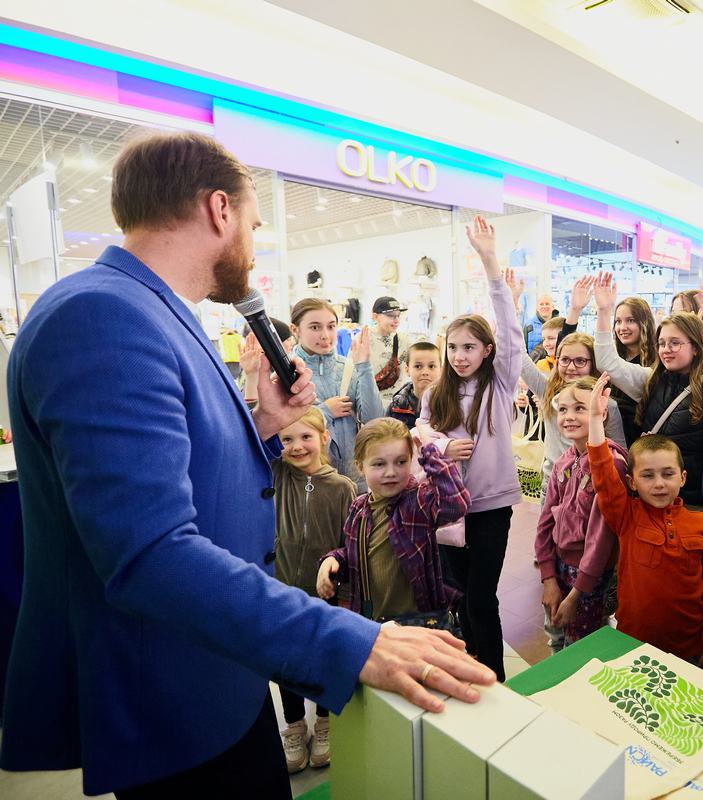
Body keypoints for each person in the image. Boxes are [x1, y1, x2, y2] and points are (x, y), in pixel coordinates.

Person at [0, 132, 491, 799]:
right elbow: (149, 554)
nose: (254, 247)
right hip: (173, 691)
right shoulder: (101, 316)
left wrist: (262, 424)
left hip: (220, 667)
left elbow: (179, 470)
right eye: (255, 226)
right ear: (220, 210)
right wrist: (351, 643)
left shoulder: (153, 310)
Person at [418, 216, 523, 681]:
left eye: (470, 347)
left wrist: (489, 261)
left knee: (482, 597)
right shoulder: (435, 392)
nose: (460, 356)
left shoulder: (500, 384)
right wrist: (443, 445)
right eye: (454, 347)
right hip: (447, 508)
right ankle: (470, 665)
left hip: (491, 508)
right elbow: (421, 432)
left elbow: (511, 330)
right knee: (458, 595)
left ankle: (494, 677)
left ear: (486, 350)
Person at [586, 374, 703, 673]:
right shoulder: (626, 516)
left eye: (668, 474)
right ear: (632, 482)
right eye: (648, 476)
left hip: (690, 652)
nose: (659, 484)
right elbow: (603, 476)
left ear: (683, 477)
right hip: (632, 646)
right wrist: (596, 420)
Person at [594, 273, 703, 510]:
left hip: (691, 506)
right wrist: (603, 311)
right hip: (648, 500)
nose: (666, 349)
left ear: (696, 347)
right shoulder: (650, 380)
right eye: (661, 343)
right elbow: (608, 362)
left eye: (675, 343)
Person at [269, 408, 357, 773]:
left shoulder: (343, 488)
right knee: (284, 659)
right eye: (287, 439)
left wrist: (346, 596)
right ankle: (294, 724)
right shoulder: (276, 474)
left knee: (324, 657)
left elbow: (350, 548)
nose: (297, 446)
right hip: (282, 589)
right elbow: (254, 438)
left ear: (324, 438)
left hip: (326, 595)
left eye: (306, 437)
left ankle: (324, 720)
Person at [316, 418, 465, 624]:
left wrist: (432, 456)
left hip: (417, 623)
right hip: (373, 622)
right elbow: (356, 554)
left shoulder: (417, 501)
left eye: (401, 462)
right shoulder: (358, 507)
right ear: (360, 467)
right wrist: (333, 560)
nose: (391, 472)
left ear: (411, 460)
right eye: (379, 464)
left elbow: (455, 504)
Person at [536, 377, 625, 651]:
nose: (569, 416)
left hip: (589, 577)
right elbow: (545, 522)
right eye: (563, 409)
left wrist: (576, 594)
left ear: (601, 413)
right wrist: (548, 578)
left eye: (579, 408)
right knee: (556, 636)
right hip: (558, 567)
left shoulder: (612, 465)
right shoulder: (563, 461)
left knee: (580, 648)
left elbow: (601, 538)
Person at [283, 298, 385, 493]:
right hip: (306, 484)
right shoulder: (285, 373)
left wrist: (364, 366)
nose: (325, 335)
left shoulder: (349, 367)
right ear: (295, 330)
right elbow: (282, 427)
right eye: (315, 327)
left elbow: (374, 421)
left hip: (355, 482)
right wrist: (325, 411)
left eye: (331, 327)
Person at [559, 275, 655, 448]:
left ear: (645, 322)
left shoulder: (655, 364)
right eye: (618, 321)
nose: (622, 327)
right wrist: (574, 310)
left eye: (630, 320)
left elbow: (609, 364)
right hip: (603, 439)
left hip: (636, 442)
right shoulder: (609, 355)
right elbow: (566, 350)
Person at [520, 330, 625, 487]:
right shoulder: (547, 391)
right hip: (553, 482)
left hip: (591, 486)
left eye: (580, 361)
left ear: (593, 363)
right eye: (565, 360)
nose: (571, 367)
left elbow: (620, 451)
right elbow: (520, 358)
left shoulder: (606, 404)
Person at [369, 296, 413, 406]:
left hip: (397, 405)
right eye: (390, 315)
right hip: (371, 405)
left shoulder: (404, 340)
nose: (396, 320)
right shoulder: (364, 339)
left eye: (398, 315)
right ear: (376, 317)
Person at [387, 341, 441, 429]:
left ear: (441, 370)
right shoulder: (396, 407)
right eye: (418, 366)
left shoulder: (449, 404)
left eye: (431, 366)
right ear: (407, 370)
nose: (425, 372)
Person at [525, 293, 558, 359]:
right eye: (541, 304)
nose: (544, 306)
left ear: (553, 307)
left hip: (555, 363)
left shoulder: (560, 324)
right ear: (537, 307)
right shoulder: (529, 325)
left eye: (547, 304)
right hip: (533, 363)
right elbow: (522, 348)